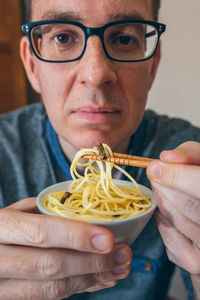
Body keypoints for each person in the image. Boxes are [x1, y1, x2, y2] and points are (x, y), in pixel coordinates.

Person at [0, 0, 199, 299]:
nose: (95, 74)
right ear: (31, 64)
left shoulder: (185, 157)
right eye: (62, 38)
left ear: (153, 64)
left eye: (123, 39)